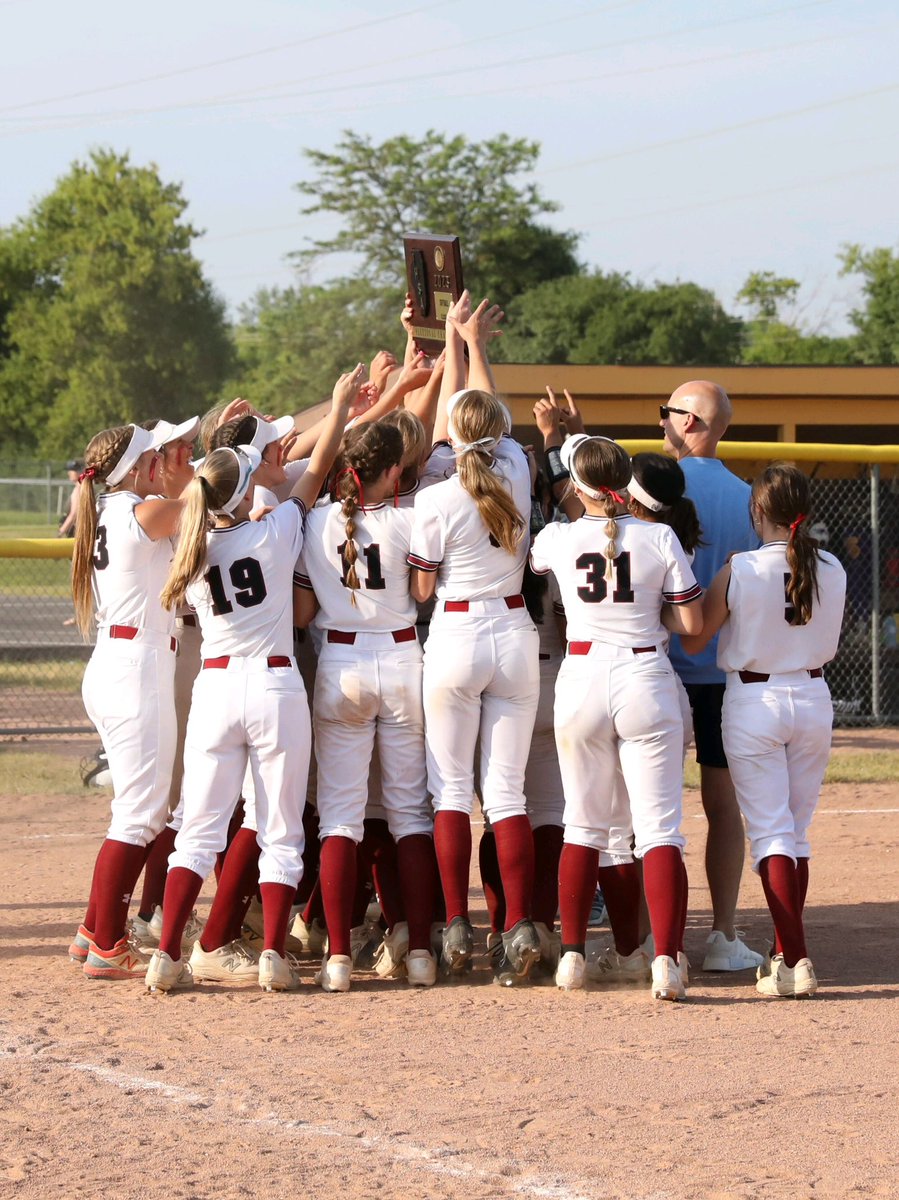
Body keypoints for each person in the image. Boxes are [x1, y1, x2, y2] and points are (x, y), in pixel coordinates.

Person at [143, 366, 365, 994]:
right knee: (280, 829)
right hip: (273, 686)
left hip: (215, 687)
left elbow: (218, 504)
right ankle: (271, 952)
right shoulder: (272, 530)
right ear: (246, 492)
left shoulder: (189, 550)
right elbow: (317, 469)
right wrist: (343, 404)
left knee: (197, 830)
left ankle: (167, 954)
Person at [530, 434, 703, 1000]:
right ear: (625, 484)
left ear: (579, 485)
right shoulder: (660, 536)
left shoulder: (557, 535)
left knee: (583, 824)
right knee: (659, 831)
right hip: (645, 675)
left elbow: (538, 558)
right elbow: (692, 622)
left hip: (581, 677)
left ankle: (574, 956)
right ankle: (666, 963)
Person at [680, 464, 846, 998]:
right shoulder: (833, 567)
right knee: (794, 835)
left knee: (774, 833)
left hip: (755, 699)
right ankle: (784, 953)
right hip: (814, 697)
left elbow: (693, 638)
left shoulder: (742, 568)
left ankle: (794, 958)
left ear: (758, 511)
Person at [294, 420, 440, 991]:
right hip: (403, 659)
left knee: (339, 818)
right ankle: (421, 953)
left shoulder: (317, 521)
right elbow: (425, 593)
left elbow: (303, 615)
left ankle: (336, 959)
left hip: (341, 664)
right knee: (408, 815)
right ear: (394, 471)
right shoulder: (412, 516)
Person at [409, 388, 542, 986]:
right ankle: (517, 927)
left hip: (457, 631)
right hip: (514, 630)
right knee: (507, 794)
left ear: (453, 437)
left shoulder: (436, 495)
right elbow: (499, 430)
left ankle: (456, 921)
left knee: (452, 791)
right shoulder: (516, 469)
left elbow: (418, 591)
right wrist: (468, 341)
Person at [67, 421, 193, 978]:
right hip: (134, 667)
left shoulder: (120, 510)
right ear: (138, 469)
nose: (163, 462)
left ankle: (94, 930)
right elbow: (206, 490)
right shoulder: (140, 513)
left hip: (120, 662)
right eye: (155, 456)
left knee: (138, 812)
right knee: (141, 815)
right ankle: (108, 945)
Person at [661, 380, 764, 972]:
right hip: (723, 672)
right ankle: (723, 933)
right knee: (724, 806)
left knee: (651, 810)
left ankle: (649, 938)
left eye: (668, 413)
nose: (662, 423)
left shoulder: (650, 489)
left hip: (659, 670)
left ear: (692, 422)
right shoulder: (748, 497)